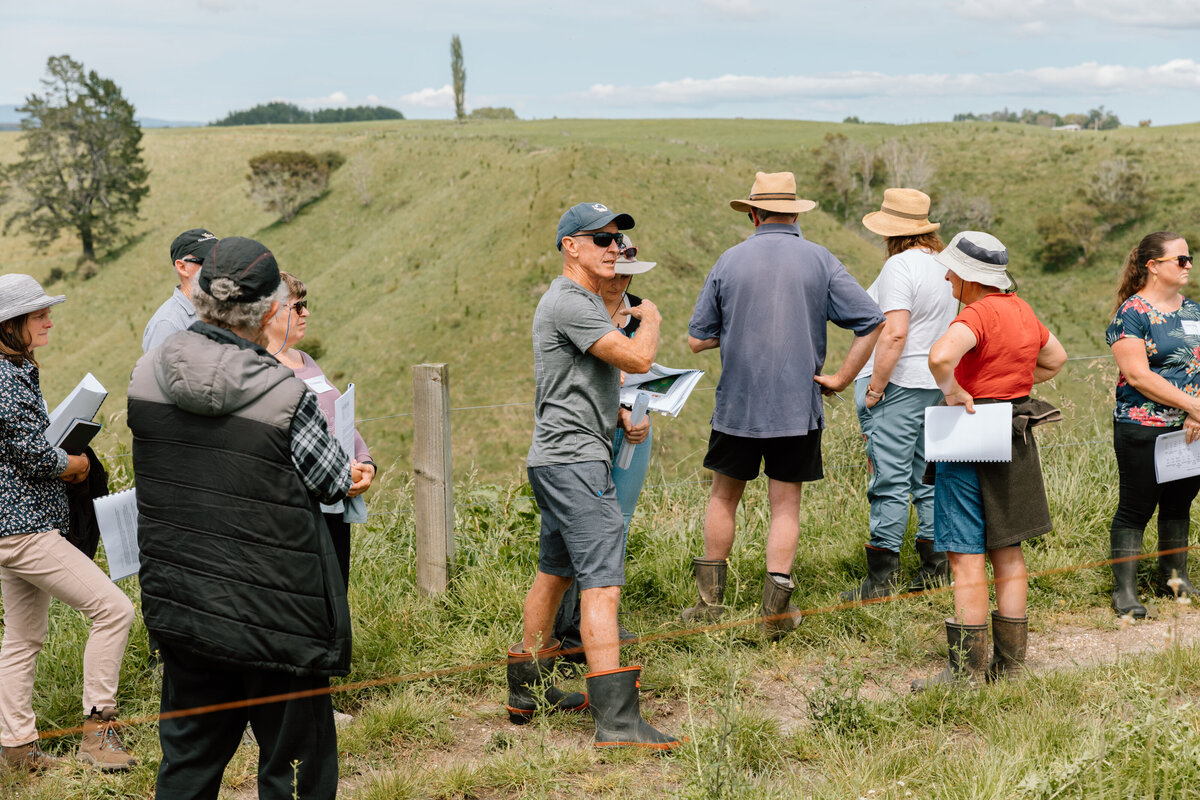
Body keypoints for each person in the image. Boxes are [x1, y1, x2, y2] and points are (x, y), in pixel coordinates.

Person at [128, 237, 360, 799]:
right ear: (268, 309)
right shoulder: (285, 393)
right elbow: (332, 478)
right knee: (296, 769)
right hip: (277, 612)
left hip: (185, 602)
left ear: (201, 297)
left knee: (187, 763)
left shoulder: (146, 376)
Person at [684, 171, 884, 637]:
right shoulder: (820, 259)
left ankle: (709, 604)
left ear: (753, 213)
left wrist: (737, 333)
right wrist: (840, 377)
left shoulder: (729, 261)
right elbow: (872, 322)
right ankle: (774, 613)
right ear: (795, 212)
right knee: (785, 506)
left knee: (723, 496)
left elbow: (697, 339)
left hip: (737, 404)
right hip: (797, 406)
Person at [510, 202, 678, 750]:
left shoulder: (576, 304)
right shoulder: (570, 300)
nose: (614, 248)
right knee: (602, 585)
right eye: (600, 239)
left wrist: (618, 414)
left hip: (556, 458)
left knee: (555, 573)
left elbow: (583, 380)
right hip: (577, 463)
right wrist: (648, 320)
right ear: (570, 246)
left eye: (617, 240)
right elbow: (635, 360)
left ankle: (529, 689)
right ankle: (618, 721)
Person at [912, 232, 1066, 690]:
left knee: (964, 555)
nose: (946, 276)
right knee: (1009, 548)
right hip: (1014, 432)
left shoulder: (978, 312)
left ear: (970, 278)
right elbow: (1054, 359)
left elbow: (940, 356)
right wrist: (1015, 378)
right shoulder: (1021, 308)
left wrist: (955, 390)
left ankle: (965, 672)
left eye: (953, 270)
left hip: (970, 434)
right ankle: (1012, 667)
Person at [0, 274, 136, 772]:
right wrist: (75, 465)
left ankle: (16, 750)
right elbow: (34, 453)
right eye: (39, 315)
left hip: (11, 528)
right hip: (26, 529)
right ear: (10, 324)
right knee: (114, 610)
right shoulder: (5, 375)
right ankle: (99, 733)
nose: (48, 321)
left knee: (22, 638)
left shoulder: (11, 369)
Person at [839, 189, 958, 601]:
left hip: (899, 384)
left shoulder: (899, 266)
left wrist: (875, 388)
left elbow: (895, 332)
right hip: (936, 385)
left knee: (887, 479)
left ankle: (880, 580)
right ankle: (934, 566)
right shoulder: (946, 267)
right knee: (927, 477)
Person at [553, 239, 657, 662]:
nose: (622, 282)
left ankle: (596, 619)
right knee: (578, 526)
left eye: (630, 275)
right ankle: (571, 623)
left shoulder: (636, 314)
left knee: (619, 522)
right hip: (587, 432)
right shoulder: (582, 312)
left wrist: (644, 411)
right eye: (617, 273)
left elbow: (645, 372)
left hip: (632, 426)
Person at [1105, 231, 1200, 619]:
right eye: (1180, 259)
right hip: (1142, 426)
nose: (1189, 265)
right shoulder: (1132, 313)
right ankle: (1124, 591)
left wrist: (1196, 412)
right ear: (1153, 266)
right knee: (1136, 506)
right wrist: (1194, 405)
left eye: (1189, 258)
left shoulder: (1193, 311)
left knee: (1180, 504)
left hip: (1192, 427)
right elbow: (1138, 375)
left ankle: (1174, 578)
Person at [265, 271, 377, 589]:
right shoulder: (264, 368)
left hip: (337, 497)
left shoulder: (305, 360)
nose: (306, 313)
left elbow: (337, 417)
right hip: (303, 507)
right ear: (271, 312)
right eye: (298, 306)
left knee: (337, 587)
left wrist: (365, 462)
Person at [142, 227, 219, 353]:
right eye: (207, 261)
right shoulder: (167, 324)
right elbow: (159, 371)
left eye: (218, 259)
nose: (216, 267)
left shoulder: (224, 305)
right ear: (182, 267)